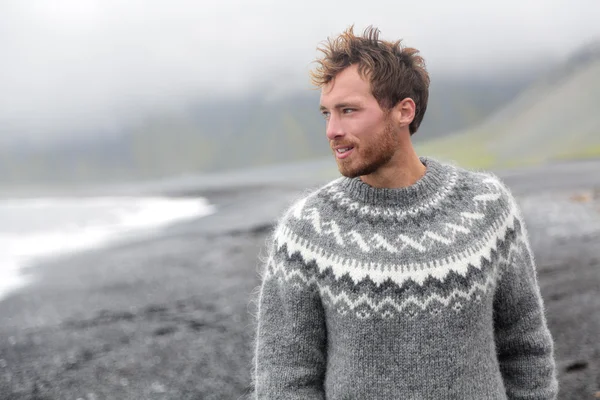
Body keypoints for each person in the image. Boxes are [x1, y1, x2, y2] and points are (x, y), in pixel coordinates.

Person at [252, 25, 558, 399]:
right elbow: (284, 377)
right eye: (326, 114)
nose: (332, 130)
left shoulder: (486, 206)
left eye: (348, 111)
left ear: (403, 111)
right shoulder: (305, 232)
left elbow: (525, 347)